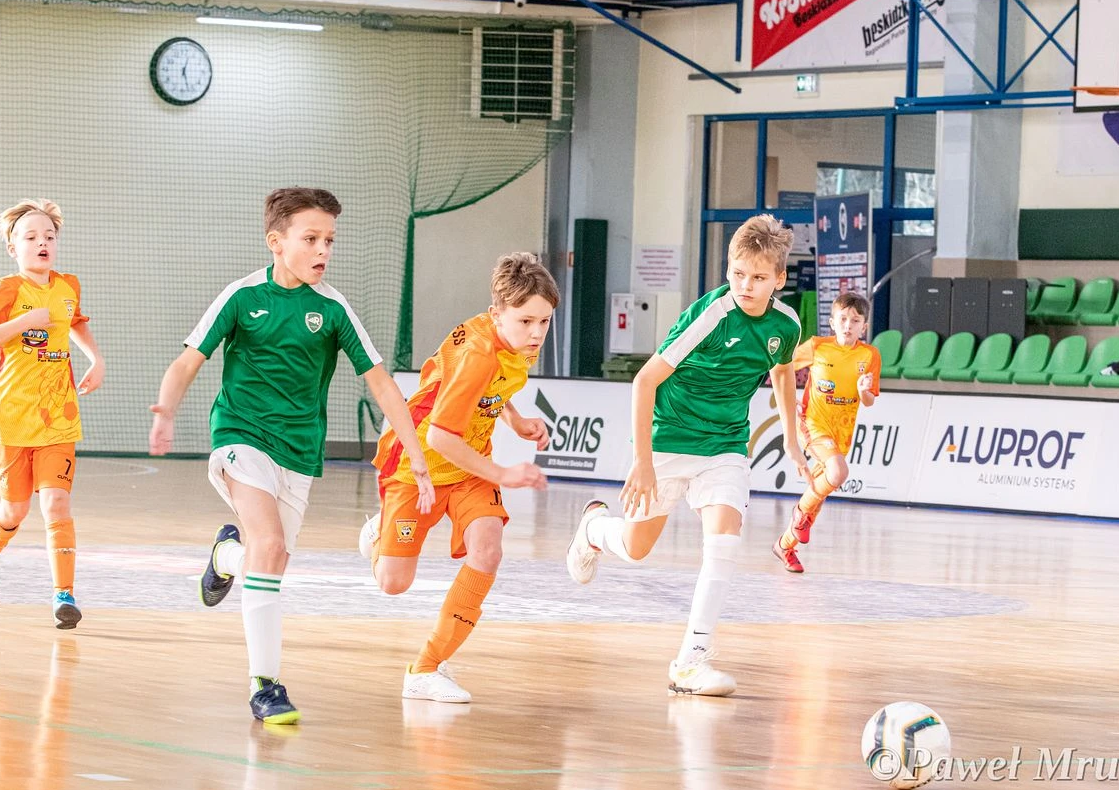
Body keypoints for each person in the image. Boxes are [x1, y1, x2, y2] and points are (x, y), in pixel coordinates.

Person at [148, 187, 434, 724]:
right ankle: (265, 685)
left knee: (269, 560)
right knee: (271, 544)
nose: (323, 250)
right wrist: (166, 409)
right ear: (276, 242)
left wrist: (415, 454)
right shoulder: (242, 297)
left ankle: (225, 557)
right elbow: (188, 361)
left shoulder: (332, 308)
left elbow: (381, 382)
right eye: (311, 239)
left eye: (330, 240)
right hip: (240, 435)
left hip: (300, 451)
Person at [565, 214, 807, 697]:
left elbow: (782, 371)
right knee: (635, 548)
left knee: (725, 542)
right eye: (738, 274)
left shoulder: (787, 325)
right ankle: (592, 530)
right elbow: (644, 381)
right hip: (668, 440)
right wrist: (643, 461)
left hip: (726, 446)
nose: (746, 285)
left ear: (779, 279)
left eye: (759, 277)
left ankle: (691, 662)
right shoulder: (711, 316)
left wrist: (792, 439)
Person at [361, 252, 557, 704]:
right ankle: (380, 533)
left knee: (488, 550)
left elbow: (491, 390)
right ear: (497, 314)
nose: (536, 333)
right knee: (393, 584)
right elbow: (441, 436)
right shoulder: (478, 355)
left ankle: (425, 669)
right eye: (527, 321)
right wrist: (504, 473)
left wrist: (514, 419)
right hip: (418, 463)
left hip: (469, 463)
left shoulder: (511, 339)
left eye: (544, 321)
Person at [0, 199, 104, 627]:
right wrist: (22, 322)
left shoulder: (68, 285)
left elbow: (75, 321)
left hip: (59, 415)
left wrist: (96, 358)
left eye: (49, 236)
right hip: (13, 417)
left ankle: (63, 595)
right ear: (13, 248)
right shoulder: (6, 289)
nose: (42, 243)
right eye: (32, 237)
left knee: (56, 503)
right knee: (14, 511)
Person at [772, 291, 880, 573]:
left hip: (842, 431)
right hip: (813, 423)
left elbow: (869, 400)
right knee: (838, 472)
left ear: (864, 326)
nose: (848, 325)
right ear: (832, 322)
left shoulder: (869, 355)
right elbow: (782, 366)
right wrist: (790, 398)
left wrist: (863, 391)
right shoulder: (817, 347)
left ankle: (785, 545)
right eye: (842, 319)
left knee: (819, 494)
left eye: (855, 321)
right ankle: (799, 514)